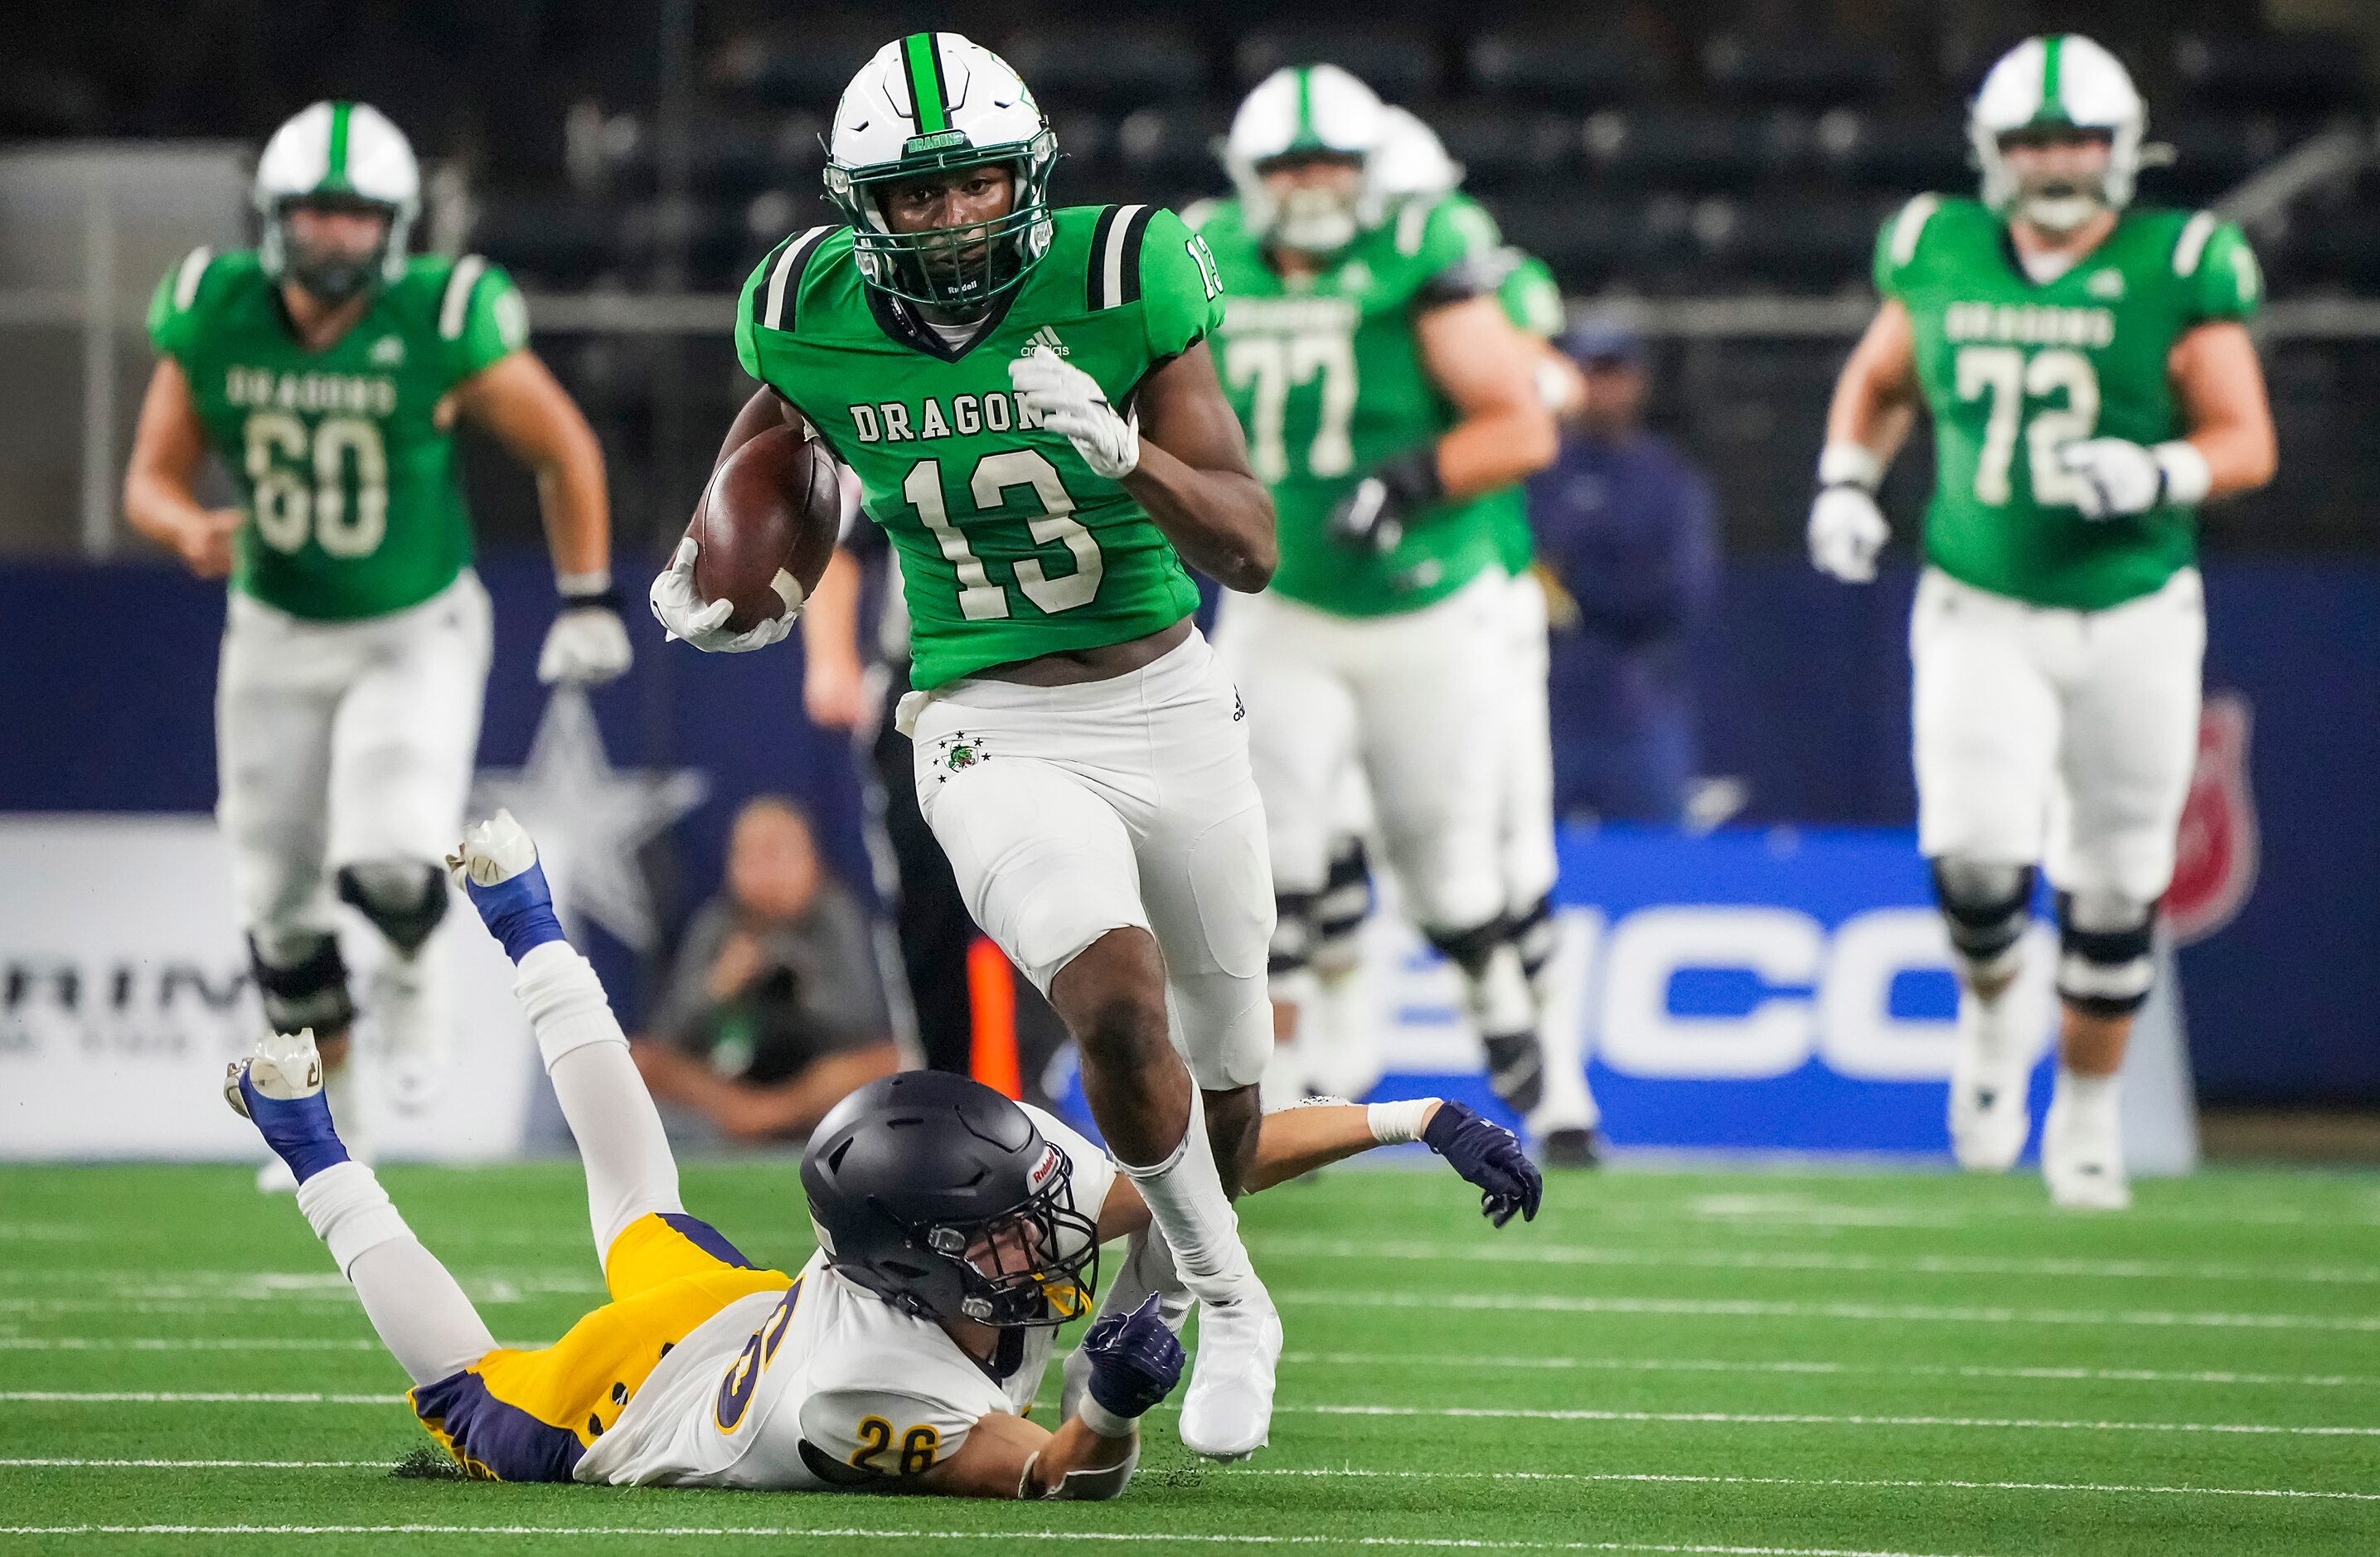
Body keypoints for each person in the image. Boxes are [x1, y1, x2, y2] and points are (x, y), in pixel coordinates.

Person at [646, 33, 1287, 1458]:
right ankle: (1239, 1303)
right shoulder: (804, 303)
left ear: (1029, 176)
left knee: (1226, 1073)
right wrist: (732, 566)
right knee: (1114, 999)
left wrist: (1131, 457)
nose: (949, 219)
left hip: (1164, 695)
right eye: (915, 196)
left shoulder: (1125, 274)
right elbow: (789, 444)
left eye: (976, 184)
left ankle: (1165, 1303)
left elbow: (1248, 543)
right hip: (983, 712)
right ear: (860, 204)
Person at [224, 809, 1540, 1497]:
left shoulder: (955, 1238)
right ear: (927, 1264)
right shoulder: (864, 1390)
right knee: (473, 1389)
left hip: (747, 1313)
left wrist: (1410, 1118)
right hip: (638, 1407)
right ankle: (312, 1143)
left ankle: (525, 922)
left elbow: (1195, 1163)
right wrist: (1105, 1411)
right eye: (1016, 1231)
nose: (1058, 1232)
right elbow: (1045, 1478)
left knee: (636, 1201)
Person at [1807, 35, 2275, 1209]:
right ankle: (1984, 1020)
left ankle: (2081, 1116)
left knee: (2114, 887)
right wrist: (1843, 479)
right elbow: (1879, 380)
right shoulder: (1940, 244)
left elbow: (2243, 438)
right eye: (2029, 141)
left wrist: (2162, 467)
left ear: (2121, 149)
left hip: (2131, 612)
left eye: (2071, 139)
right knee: (1972, 858)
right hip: (1981, 601)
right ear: (1989, 151)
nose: (2052, 161)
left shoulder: (2179, 259)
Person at [123, 100, 628, 1186]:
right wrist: (185, 525)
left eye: (357, 216)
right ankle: (331, 1113)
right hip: (272, 629)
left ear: (397, 226)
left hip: (413, 627)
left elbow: (564, 451)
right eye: (315, 212)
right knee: (276, 898)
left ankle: (410, 969)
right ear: (273, 216)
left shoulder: (443, 316)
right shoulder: (215, 309)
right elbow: (149, 480)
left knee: (392, 855)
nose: (335, 236)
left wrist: (589, 597)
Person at [1194, 69, 1561, 1142]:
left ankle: (1497, 1000)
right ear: (1246, 176)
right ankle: (1280, 1085)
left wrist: (1405, 480)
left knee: (1441, 867)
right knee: (1269, 860)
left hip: (1421, 607)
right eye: (1289, 166)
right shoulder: (1200, 254)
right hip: (1280, 601)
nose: (1310, 186)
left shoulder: (1419, 249)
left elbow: (1519, 425)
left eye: (1330, 166)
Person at [1529, 318, 1719, 827]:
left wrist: (1578, 585)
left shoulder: (1667, 478)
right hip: (1544, 698)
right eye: (1590, 372)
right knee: (1528, 856)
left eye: (1615, 372)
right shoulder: (1536, 469)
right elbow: (1517, 572)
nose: (1602, 387)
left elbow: (1684, 594)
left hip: (1639, 703)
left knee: (1658, 858)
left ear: (1638, 381)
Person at [631, 796, 900, 1142]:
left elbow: (866, 1023)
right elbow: (667, 1033)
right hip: (727, 1085)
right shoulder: (717, 923)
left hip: (811, 1084)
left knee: (889, 1063)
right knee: (636, 1060)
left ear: (811, 861)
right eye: (749, 857)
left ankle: (766, 1118)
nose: (764, 873)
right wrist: (718, 986)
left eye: (775, 855)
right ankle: (745, 1117)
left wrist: (800, 984)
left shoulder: (835, 916)